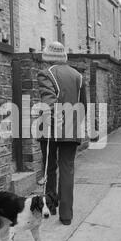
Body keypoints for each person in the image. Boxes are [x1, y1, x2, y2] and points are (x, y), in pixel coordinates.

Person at [37, 42, 87, 226]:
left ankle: (50, 207)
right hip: (71, 130)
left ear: (48, 57)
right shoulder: (78, 76)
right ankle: (66, 216)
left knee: (49, 168)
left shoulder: (46, 73)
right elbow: (83, 106)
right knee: (67, 169)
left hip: (50, 129)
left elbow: (48, 102)